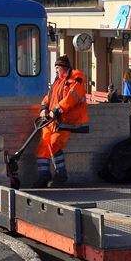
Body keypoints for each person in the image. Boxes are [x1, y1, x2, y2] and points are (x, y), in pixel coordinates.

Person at [33, 55, 89, 188]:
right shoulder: (58, 81)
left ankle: (61, 174)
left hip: (67, 120)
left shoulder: (76, 79)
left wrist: (57, 110)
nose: (56, 71)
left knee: (54, 143)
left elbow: (71, 97)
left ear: (64, 68)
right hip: (52, 121)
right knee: (42, 147)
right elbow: (49, 96)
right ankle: (43, 176)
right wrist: (44, 108)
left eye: (57, 68)